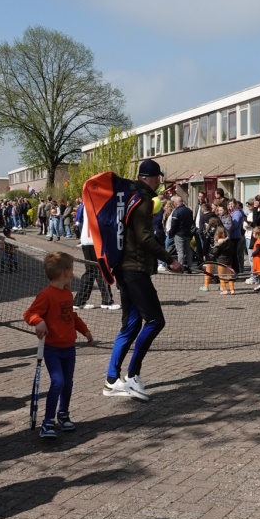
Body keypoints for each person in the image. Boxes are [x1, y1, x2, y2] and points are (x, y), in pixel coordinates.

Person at [103, 159, 183, 401]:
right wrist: (170, 260)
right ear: (153, 178)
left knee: (130, 326)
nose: (159, 182)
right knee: (156, 321)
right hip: (135, 270)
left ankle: (111, 380)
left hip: (123, 267)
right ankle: (132, 375)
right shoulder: (143, 200)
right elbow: (145, 238)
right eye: (158, 178)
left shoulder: (128, 195)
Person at [24, 253, 94, 439]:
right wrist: (38, 321)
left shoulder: (67, 293)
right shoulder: (46, 294)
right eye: (72, 270)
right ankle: (48, 422)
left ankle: (63, 414)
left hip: (69, 348)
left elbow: (72, 316)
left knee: (68, 382)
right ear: (66, 272)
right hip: (52, 349)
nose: (73, 274)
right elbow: (29, 314)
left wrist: (84, 330)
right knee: (58, 382)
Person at [72, 202, 118, 310]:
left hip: (88, 239)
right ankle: (107, 301)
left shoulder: (87, 202)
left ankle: (79, 301)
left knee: (91, 271)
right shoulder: (97, 202)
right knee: (101, 270)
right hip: (94, 240)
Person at [204, 225, 236, 294]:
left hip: (221, 262)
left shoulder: (219, 243)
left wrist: (213, 248)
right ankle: (232, 290)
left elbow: (215, 252)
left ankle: (225, 290)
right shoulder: (230, 242)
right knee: (229, 276)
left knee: (221, 276)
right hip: (229, 260)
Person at [167, 195, 195, 271]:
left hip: (179, 233)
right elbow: (191, 222)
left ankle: (180, 267)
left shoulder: (176, 211)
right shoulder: (189, 211)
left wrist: (171, 233)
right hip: (187, 233)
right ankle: (190, 266)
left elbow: (174, 224)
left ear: (176, 203)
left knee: (180, 251)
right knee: (188, 250)